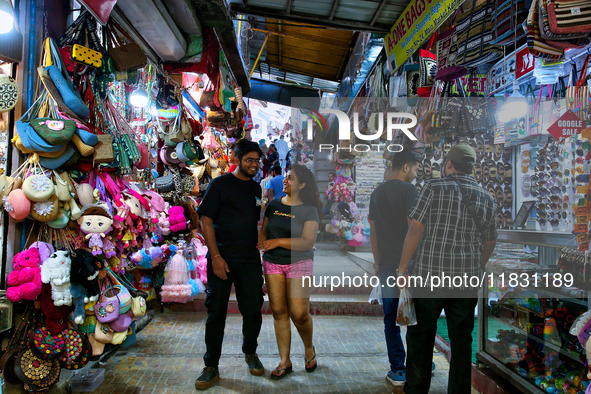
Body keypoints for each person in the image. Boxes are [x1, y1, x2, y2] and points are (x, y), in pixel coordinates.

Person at [397, 144, 497, 394]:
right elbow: (490, 241)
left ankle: (416, 391)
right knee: (462, 342)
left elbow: (415, 230)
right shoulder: (487, 197)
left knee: (420, 339)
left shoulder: (433, 187)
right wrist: (477, 265)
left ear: (449, 164)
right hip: (466, 282)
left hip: (430, 277)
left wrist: (401, 269)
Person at [195, 139, 265, 390]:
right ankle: (211, 366)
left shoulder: (256, 189)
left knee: (253, 310)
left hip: (248, 260)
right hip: (221, 258)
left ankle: (250, 352)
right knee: (216, 313)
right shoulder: (220, 184)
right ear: (237, 160)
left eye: (257, 160)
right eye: (249, 160)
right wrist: (215, 257)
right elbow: (205, 220)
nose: (254, 164)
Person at [257, 164, 322, 380]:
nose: (285, 181)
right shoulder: (274, 204)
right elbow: (264, 232)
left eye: (291, 178)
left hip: (299, 262)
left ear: (302, 185)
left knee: (299, 313)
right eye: (286, 177)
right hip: (272, 263)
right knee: (278, 311)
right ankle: (285, 361)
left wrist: (277, 242)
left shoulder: (309, 210)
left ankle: (309, 348)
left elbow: (307, 242)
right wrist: (262, 247)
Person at [368, 151, 418, 387]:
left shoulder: (377, 192)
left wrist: (377, 264)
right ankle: (417, 364)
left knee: (391, 318)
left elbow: (374, 231)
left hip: (387, 263)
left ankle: (398, 369)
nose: (416, 174)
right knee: (414, 315)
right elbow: (413, 229)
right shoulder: (410, 191)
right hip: (408, 265)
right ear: (406, 167)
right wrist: (405, 267)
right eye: (416, 169)